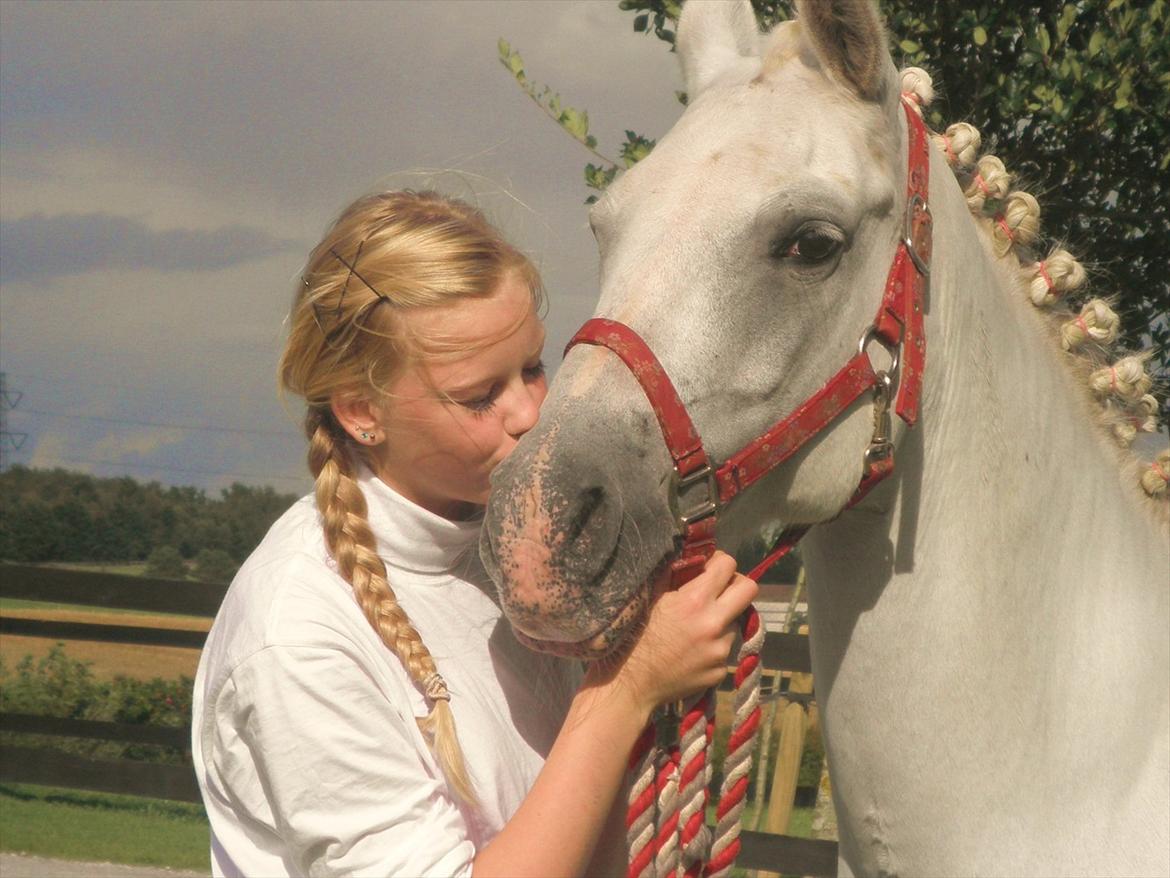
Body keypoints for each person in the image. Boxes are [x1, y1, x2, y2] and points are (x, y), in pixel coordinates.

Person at [191, 190, 758, 877]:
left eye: (533, 368)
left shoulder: (517, 535)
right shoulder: (297, 637)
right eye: (479, 396)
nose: (530, 411)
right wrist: (627, 688)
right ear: (361, 410)